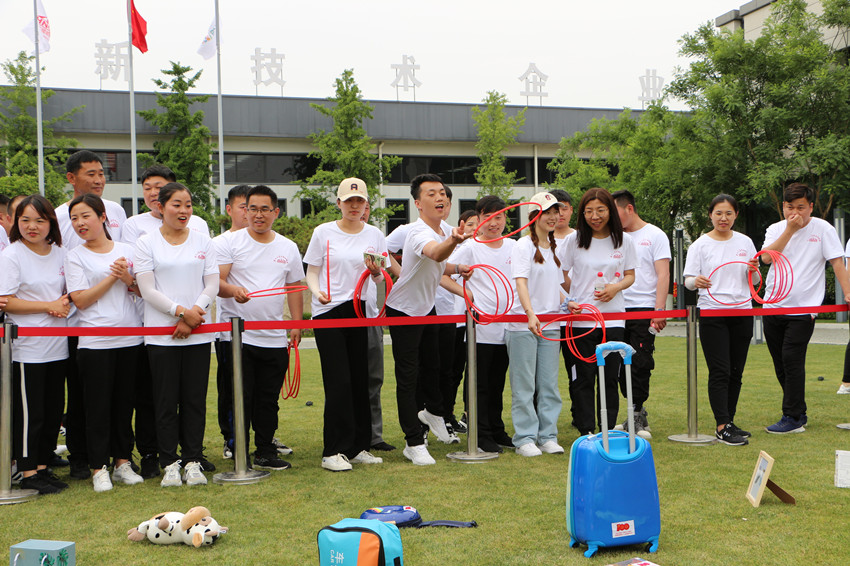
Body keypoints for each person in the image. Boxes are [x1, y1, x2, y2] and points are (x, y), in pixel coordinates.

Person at [121, 164, 214, 478]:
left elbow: (211, 284)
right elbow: (146, 289)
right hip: (161, 336)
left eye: (188, 205)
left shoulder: (203, 240)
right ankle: (169, 463)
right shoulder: (147, 242)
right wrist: (180, 312)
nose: (184, 210)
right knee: (164, 402)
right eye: (177, 204)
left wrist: (193, 314)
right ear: (161, 207)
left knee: (194, 401)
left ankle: (192, 460)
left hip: (198, 333)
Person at [385, 174, 471, 466]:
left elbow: (441, 265)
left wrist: (459, 267)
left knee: (435, 368)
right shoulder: (417, 232)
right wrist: (452, 243)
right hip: (402, 310)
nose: (440, 198)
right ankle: (413, 441)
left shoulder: (446, 228)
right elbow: (435, 253)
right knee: (408, 377)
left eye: (442, 193)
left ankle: (430, 413)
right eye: (431, 194)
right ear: (418, 203)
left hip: (426, 308)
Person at [217, 185, 303, 471]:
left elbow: (294, 287)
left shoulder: (287, 247)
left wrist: (296, 323)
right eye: (252, 208)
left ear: (276, 212)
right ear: (244, 210)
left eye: (265, 209)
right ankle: (238, 451)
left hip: (274, 338)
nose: (258, 214)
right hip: (238, 337)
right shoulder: (230, 242)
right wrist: (233, 290)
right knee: (240, 398)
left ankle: (265, 450)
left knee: (268, 400)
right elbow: (217, 282)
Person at [305, 178, 388, 471]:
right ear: (339, 203)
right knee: (338, 381)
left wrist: (376, 272)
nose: (355, 206)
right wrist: (317, 293)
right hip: (328, 310)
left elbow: (380, 278)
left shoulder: (375, 234)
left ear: (366, 204)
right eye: (348, 201)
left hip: (360, 310)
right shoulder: (323, 232)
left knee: (359, 379)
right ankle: (333, 451)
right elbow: (312, 271)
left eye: (360, 201)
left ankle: (358, 446)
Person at [64, 194, 145, 490]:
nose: (80, 223)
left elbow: (141, 289)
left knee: (124, 405)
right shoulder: (75, 255)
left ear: (102, 218)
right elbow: (81, 300)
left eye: (85, 216)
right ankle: (98, 467)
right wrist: (113, 277)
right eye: (74, 218)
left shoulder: (128, 249)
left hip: (130, 337)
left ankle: (123, 462)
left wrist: (126, 278)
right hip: (95, 342)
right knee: (96, 407)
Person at [56, 150, 128, 481]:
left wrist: (125, 277)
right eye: (90, 174)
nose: (98, 179)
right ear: (71, 178)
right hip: (77, 325)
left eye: (102, 173)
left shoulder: (115, 210)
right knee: (85, 397)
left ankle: (121, 460)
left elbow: (126, 265)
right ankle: (83, 458)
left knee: (119, 399)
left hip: (124, 330)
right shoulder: (58, 216)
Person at [761, 182, 850, 433]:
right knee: (780, 363)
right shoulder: (776, 229)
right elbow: (766, 258)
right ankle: (798, 412)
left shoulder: (823, 229)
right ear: (783, 206)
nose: (796, 213)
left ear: (811, 206)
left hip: (803, 309)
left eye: (801, 207)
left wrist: (848, 292)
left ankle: (791, 416)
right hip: (772, 306)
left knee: (792, 359)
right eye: (790, 207)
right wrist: (789, 229)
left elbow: (837, 262)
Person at [0, 195, 70, 494]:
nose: (32, 226)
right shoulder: (12, 255)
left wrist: (61, 303)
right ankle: (26, 472)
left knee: (53, 410)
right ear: (16, 222)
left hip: (58, 345)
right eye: (25, 220)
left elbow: (69, 293)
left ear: (51, 223)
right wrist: (48, 306)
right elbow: (6, 300)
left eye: (40, 220)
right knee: (31, 413)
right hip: (28, 348)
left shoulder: (60, 253)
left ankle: (42, 466)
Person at [560, 188, 636, 436]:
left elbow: (630, 276)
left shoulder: (624, 241)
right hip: (581, 321)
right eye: (589, 211)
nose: (595, 216)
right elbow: (558, 274)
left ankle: (607, 429)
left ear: (610, 211)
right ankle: (586, 431)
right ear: (582, 213)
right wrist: (573, 298)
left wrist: (615, 288)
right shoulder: (575, 240)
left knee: (610, 377)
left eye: (601, 210)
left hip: (613, 319)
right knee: (583, 377)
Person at [683, 194, 758, 446]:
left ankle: (730, 420)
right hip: (712, 311)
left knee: (736, 371)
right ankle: (722, 425)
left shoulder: (746, 242)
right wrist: (697, 281)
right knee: (720, 370)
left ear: (735, 215)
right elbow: (688, 281)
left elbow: (756, 282)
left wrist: (753, 270)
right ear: (710, 215)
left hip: (742, 310)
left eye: (728, 213)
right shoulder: (699, 245)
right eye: (718, 213)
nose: (723, 218)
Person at [449, 196, 515, 453]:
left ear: (505, 219)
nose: (494, 223)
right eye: (488, 218)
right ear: (479, 219)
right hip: (480, 328)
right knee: (480, 385)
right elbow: (441, 273)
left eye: (499, 217)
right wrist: (466, 294)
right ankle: (481, 433)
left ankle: (496, 429)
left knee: (498, 383)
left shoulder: (513, 246)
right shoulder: (470, 247)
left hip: (508, 327)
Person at [507, 192, 565, 457]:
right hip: (523, 325)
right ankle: (525, 439)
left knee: (549, 385)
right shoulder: (522, 245)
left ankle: (548, 436)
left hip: (551, 322)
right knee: (524, 386)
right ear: (534, 216)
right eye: (547, 212)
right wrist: (530, 314)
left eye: (556, 211)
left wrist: (568, 301)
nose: (553, 217)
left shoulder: (554, 247)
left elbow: (553, 285)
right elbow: (521, 281)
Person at [612, 189, 671, 438]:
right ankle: (630, 411)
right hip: (615, 307)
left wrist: (659, 310)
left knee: (640, 361)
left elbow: (663, 274)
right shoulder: (613, 237)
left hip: (643, 308)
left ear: (629, 209)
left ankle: (636, 413)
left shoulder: (654, 235)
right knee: (616, 362)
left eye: (614, 213)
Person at [211, 184, 250, 461]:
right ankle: (232, 439)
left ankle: (264, 436)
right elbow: (216, 284)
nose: (250, 213)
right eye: (244, 207)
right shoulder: (221, 243)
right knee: (231, 388)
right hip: (230, 330)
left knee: (259, 391)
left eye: (256, 207)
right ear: (230, 209)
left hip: (264, 331)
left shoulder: (269, 240)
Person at [360, 199, 396, 453]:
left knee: (374, 379)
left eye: (365, 206)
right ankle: (351, 436)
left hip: (372, 317)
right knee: (345, 380)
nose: (360, 211)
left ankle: (374, 436)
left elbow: (388, 272)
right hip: (344, 317)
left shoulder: (375, 236)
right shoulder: (331, 235)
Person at [445, 209, 480, 435]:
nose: (474, 229)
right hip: (456, 321)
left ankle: (469, 415)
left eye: (478, 224)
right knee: (453, 372)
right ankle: (446, 416)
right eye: (470, 224)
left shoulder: (484, 249)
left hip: (478, 322)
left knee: (474, 373)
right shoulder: (454, 252)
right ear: (461, 226)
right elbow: (441, 275)